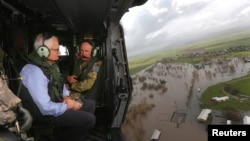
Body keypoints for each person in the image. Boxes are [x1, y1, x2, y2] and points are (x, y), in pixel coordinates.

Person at [19, 33, 96, 141]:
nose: (59, 52)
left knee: (90, 104)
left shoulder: (51, 66)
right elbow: (45, 108)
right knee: (90, 120)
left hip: (56, 102)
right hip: (44, 115)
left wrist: (66, 97)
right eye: (56, 49)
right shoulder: (34, 72)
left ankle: (61, 134)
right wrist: (69, 106)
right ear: (43, 51)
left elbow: (59, 84)